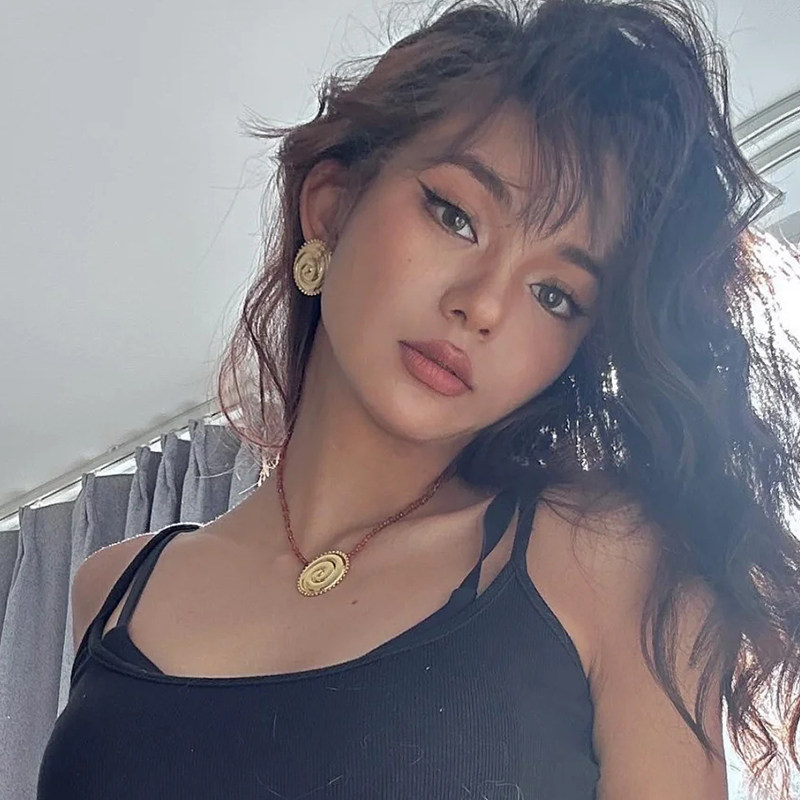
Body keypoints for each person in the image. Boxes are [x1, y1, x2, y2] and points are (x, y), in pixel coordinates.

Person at [37, 0, 800, 798]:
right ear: (332, 206)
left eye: (555, 294)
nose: (485, 305)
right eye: (456, 216)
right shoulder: (113, 592)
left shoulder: (610, 561)